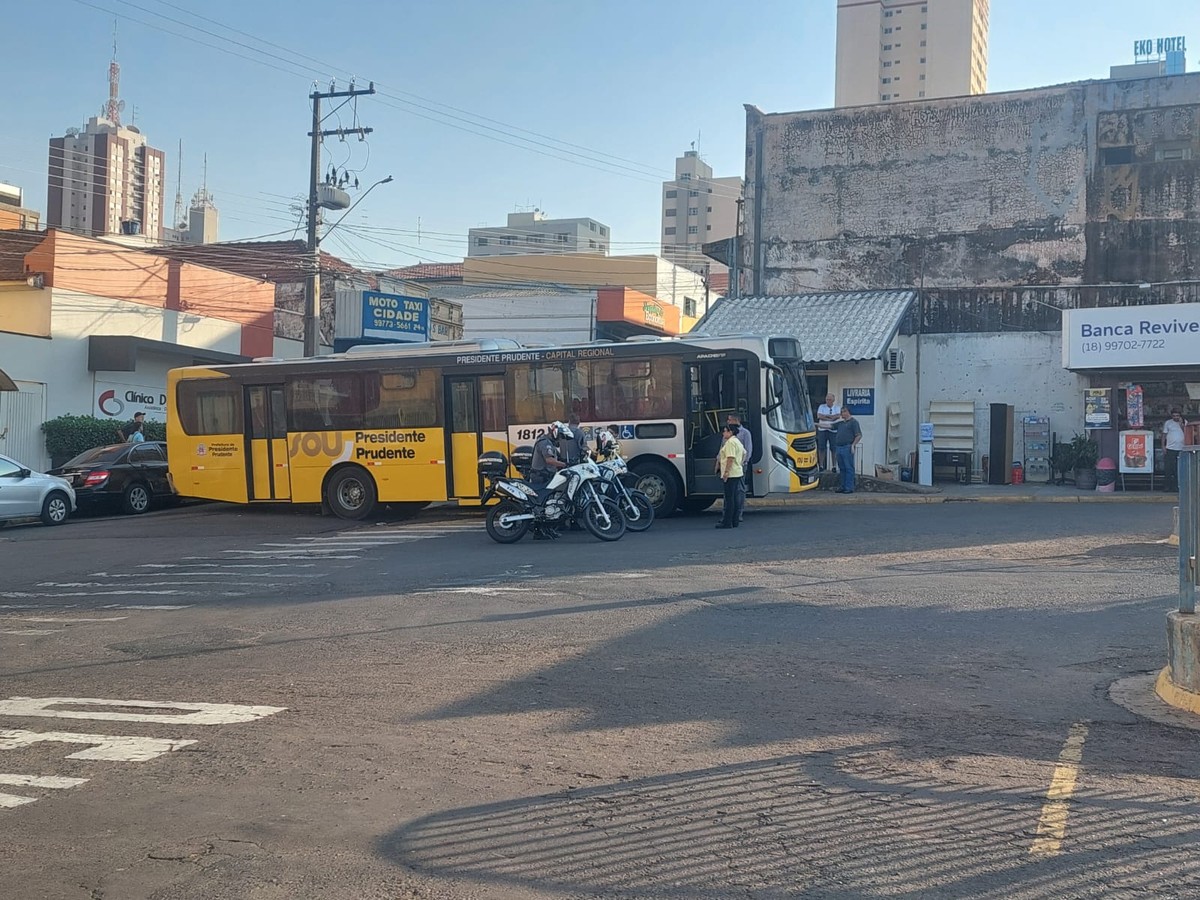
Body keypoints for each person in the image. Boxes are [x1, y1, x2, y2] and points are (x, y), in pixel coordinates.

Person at [715, 423, 746, 529]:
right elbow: (744, 454)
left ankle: (727, 522)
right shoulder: (738, 442)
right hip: (738, 472)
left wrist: (726, 472)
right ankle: (735, 520)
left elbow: (730, 458)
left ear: (730, 432)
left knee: (729, 499)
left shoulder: (730, 443)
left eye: (725, 431)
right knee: (735, 497)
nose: (723, 433)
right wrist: (739, 464)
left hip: (731, 474)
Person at [727, 413, 752, 522]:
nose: (728, 422)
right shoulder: (727, 433)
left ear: (735, 420)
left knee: (739, 489)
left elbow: (748, 450)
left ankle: (738, 513)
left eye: (729, 420)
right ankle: (727, 514)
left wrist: (743, 463)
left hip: (739, 466)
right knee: (728, 491)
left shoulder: (745, 433)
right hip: (727, 465)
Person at [832, 407, 862, 494]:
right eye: (841, 412)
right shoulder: (840, 423)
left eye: (844, 411)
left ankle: (849, 487)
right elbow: (830, 426)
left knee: (849, 468)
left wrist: (853, 445)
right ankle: (842, 486)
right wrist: (815, 424)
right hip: (839, 447)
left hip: (847, 447)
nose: (842, 414)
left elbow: (859, 435)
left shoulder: (854, 422)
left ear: (849, 412)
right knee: (842, 468)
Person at [1163, 408, 1189, 492]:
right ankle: (1167, 486)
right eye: (1174, 416)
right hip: (1170, 448)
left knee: (1178, 469)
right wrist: (1163, 446)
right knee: (1168, 468)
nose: (1176, 417)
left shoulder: (1185, 422)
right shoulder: (1168, 423)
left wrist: (1181, 424)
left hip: (1181, 449)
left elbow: (1187, 433)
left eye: (1177, 416)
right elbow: (1164, 435)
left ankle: (1177, 486)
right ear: (1171, 416)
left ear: (1180, 416)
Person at [816, 394, 840, 471]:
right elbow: (819, 416)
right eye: (827, 399)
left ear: (833, 400)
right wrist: (831, 418)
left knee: (834, 448)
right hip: (822, 429)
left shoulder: (837, 407)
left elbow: (837, 416)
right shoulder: (821, 407)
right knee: (821, 447)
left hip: (833, 430)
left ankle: (834, 466)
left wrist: (826, 417)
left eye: (830, 400)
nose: (828, 401)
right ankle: (821, 465)